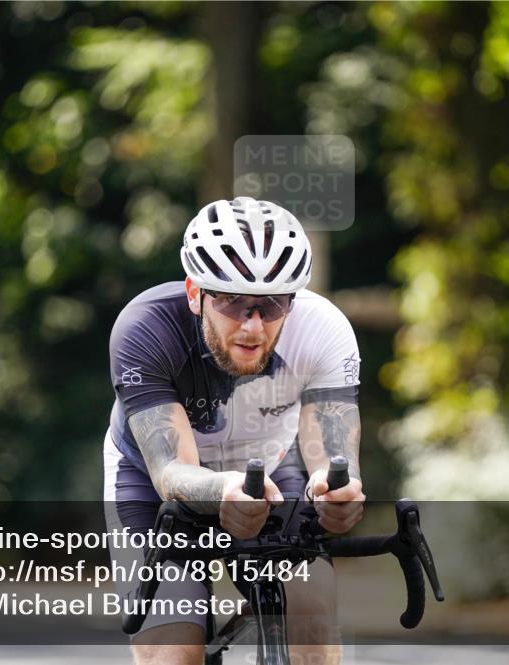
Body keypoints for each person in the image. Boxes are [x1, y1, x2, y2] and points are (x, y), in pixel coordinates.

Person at [103, 197, 366, 665]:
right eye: (230, 301)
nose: (253, 325)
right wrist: (223, 489)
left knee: (313, 617)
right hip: (155, 485)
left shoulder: (324, 329)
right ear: (194, 293)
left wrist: (336, 496)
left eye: (271, 305)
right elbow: (170, 471)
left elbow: (331, 459)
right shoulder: (145, 328)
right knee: (175, 650)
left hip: (268, 472)